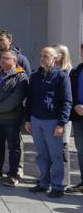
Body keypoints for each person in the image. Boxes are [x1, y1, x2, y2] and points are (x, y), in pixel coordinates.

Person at [25, 46, 72, 198]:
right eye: (41, 55)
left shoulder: (62, 77)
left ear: (55, 58)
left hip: (53, 122)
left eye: (46, 56)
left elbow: (67, 101)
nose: (43, 58)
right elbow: (29, 99)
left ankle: (57, 186)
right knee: (42, 155)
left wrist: (61, 123)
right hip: (36, 120)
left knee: (56, 155)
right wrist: (27, 119)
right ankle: (44, 183)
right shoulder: (35, 76)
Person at [0, 30, 32, 172]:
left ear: (10, 40)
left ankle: (18, 167)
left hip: (12, 110)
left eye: (2, 40)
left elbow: (25, 82)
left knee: (14, 141)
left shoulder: (21, 59)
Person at [53, 43, 73, 188]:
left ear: (62, 55)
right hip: (51, 115)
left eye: (56, 53)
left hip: (64, 117)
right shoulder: (52, 70)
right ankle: (52, 177)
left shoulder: (69, 72)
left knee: (63, 147)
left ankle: (64, 181)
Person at [67, 43, 83, 194]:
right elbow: (70, 92)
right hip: (79, 117)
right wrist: (76, 105)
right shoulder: (77, 71)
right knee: (81, 150)